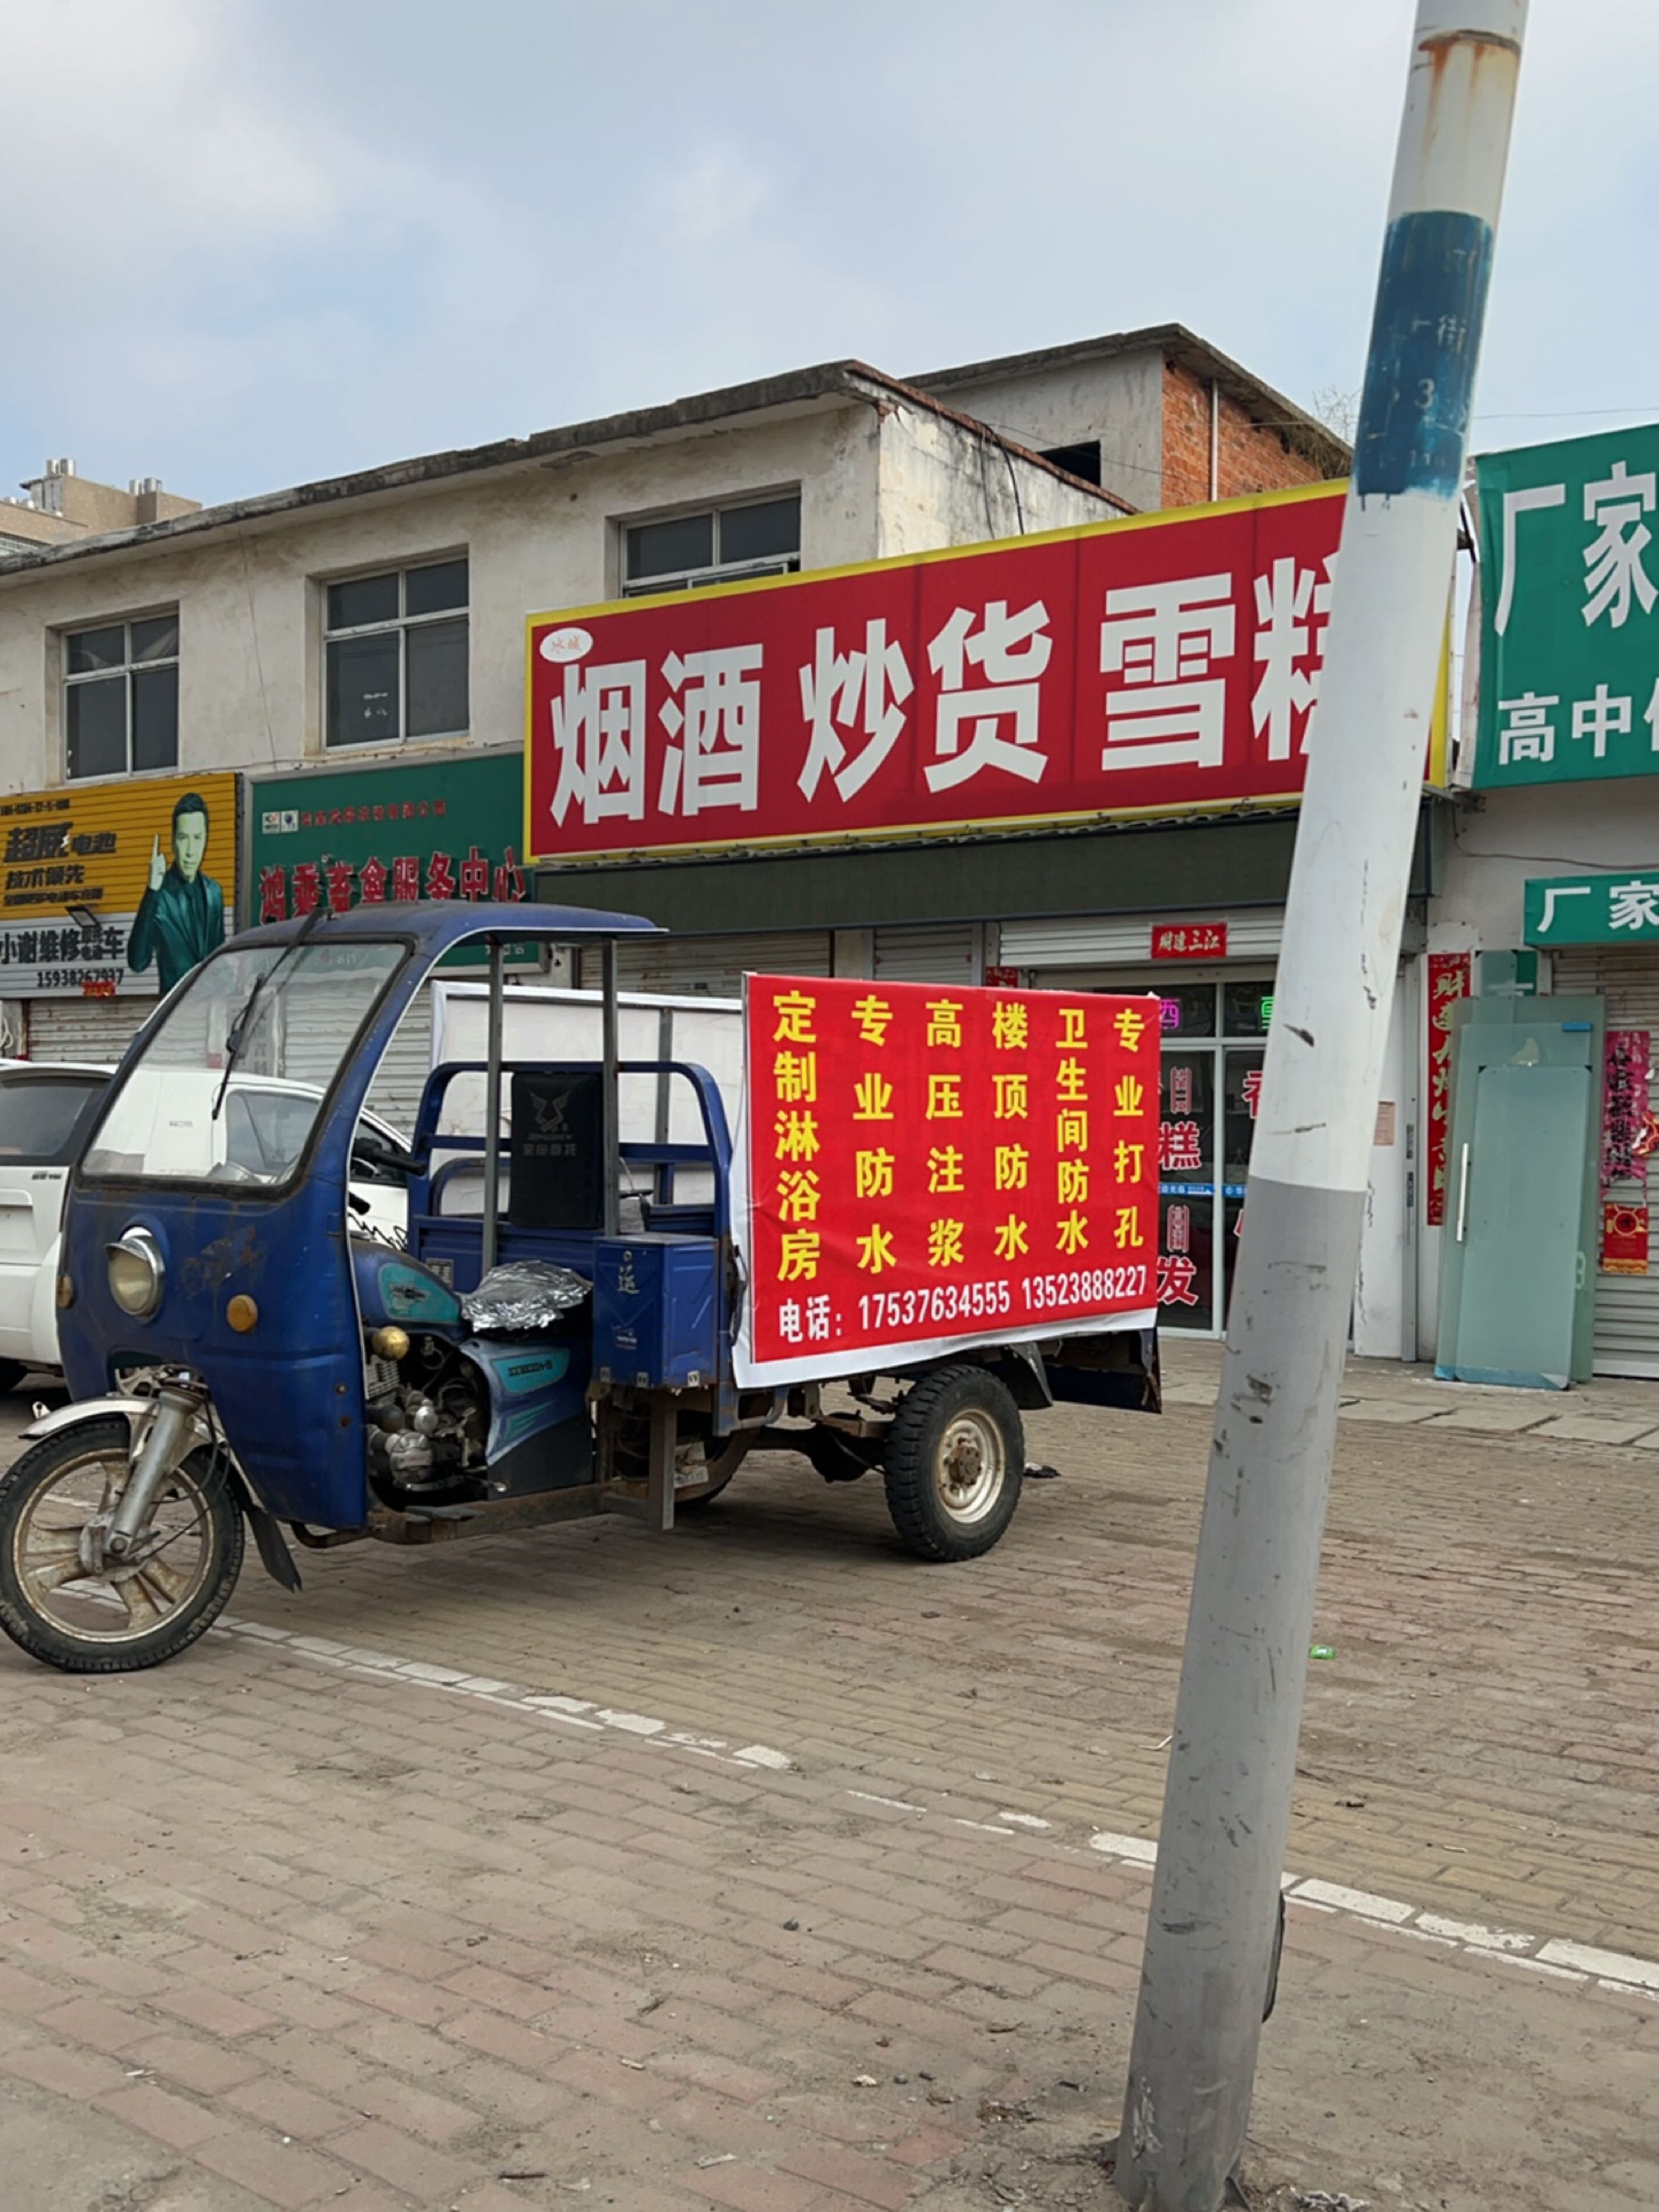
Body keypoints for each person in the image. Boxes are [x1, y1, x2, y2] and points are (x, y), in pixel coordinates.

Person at [127, 791, 225, 997]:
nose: (191, 851)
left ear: (206, 839)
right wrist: (152, 890)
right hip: (174, 1012)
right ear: (173, 842)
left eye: (197, 838)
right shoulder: (160, 896)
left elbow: (218, 958)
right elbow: (137, 962)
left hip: (210, 1008)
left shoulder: (214, 893)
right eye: (183, 838)